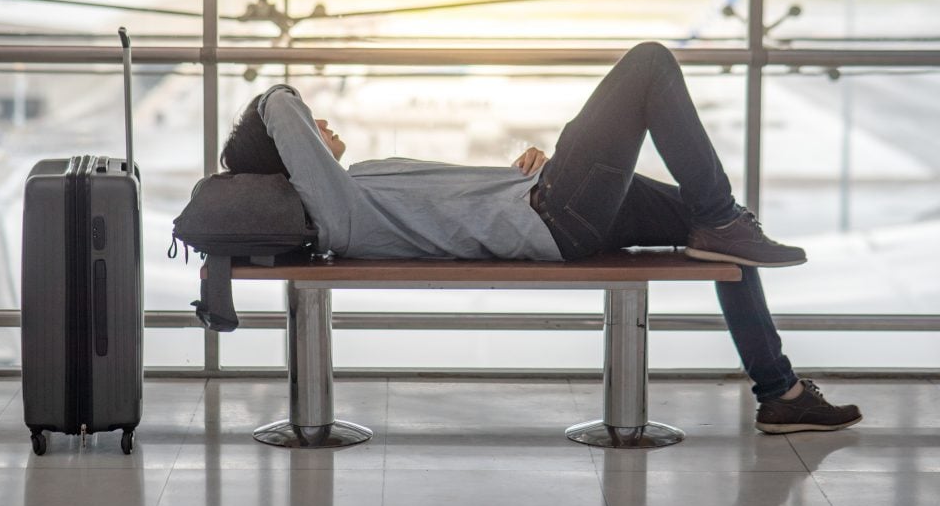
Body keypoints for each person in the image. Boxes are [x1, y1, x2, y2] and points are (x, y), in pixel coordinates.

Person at [220, 41, 862, 434]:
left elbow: (460, 207)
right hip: (559, 219)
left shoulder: (358, 179)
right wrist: (265, 110)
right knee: (649, 65)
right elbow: (279, 105)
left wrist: (516, 169)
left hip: (551, 197)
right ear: (289, 156)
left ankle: (782, 395)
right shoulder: (338, 213)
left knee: (721, 223)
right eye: (311, 124)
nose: (320, 120)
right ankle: (722, 221)